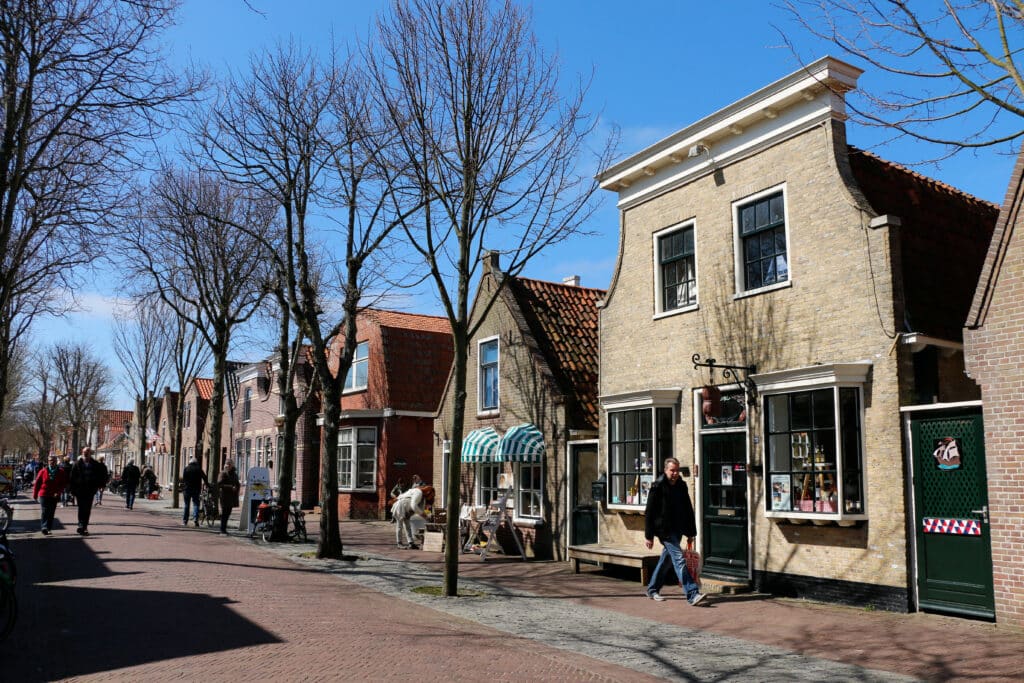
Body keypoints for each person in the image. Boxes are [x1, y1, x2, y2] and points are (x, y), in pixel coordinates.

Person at [644, 456, 705, 606]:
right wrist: (649, 536)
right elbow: (649, 512)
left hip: (678, 529)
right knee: (679, 559)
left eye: (677, 470)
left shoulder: (681, 486)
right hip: (664, 531)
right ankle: (692, 594)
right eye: (672, 470)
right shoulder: (657, 486)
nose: (675, 473)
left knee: (666, 560)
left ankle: (652, 589)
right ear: (666, 470)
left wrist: (691, 533)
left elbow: (688, 510)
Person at [69, 447, 108, 536]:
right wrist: (72, 490)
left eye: (87, 452)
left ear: (90, 453)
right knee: (81, 507)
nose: (85, 454)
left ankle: (84, 526)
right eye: (84, 452)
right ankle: (81, 525)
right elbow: (72, 477)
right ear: (82, 453)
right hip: (80, 490)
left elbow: (102, 475)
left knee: (87, 509)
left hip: (90, 490)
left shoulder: (95, 464)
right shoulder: (77, 464)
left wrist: (101, 485)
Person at [33, 454, 69, 535]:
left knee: (51, 512)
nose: (51, 462)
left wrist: (59, 492)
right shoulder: (43, 471)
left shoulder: (61, 471)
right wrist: (35, 495)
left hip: (54, 495)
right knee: (45, 511)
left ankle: (48, 528)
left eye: (53, 460)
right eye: (50, 460)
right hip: (44, 494)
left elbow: (63, 484)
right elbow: (37, 483)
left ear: (56, 462)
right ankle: (44, 527)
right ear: (48, 462)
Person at [181, 457, 209, 527]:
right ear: (196, 462)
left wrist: (183, 488)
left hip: (187, 489)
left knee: (186, 505)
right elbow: (204, 477)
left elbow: (184, 479)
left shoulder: (186, 468)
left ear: (190, 462)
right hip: (196, 489)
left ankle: (185, 521)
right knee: (196, 504)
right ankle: (196, 519)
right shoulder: (199, 469)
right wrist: (208, 485)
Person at [217, 460, 240, 535]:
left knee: (228, 513)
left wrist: (237, 487)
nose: (228, 466)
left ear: (232, 465)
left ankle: (224, 528)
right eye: (227, 464)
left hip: (232, 497)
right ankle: (222, 529)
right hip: (224, 496)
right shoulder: (223, 473)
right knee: (224, 513)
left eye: (229, 464)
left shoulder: (234, 474)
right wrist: (230, 487)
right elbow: (219, 484)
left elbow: (237, 483)